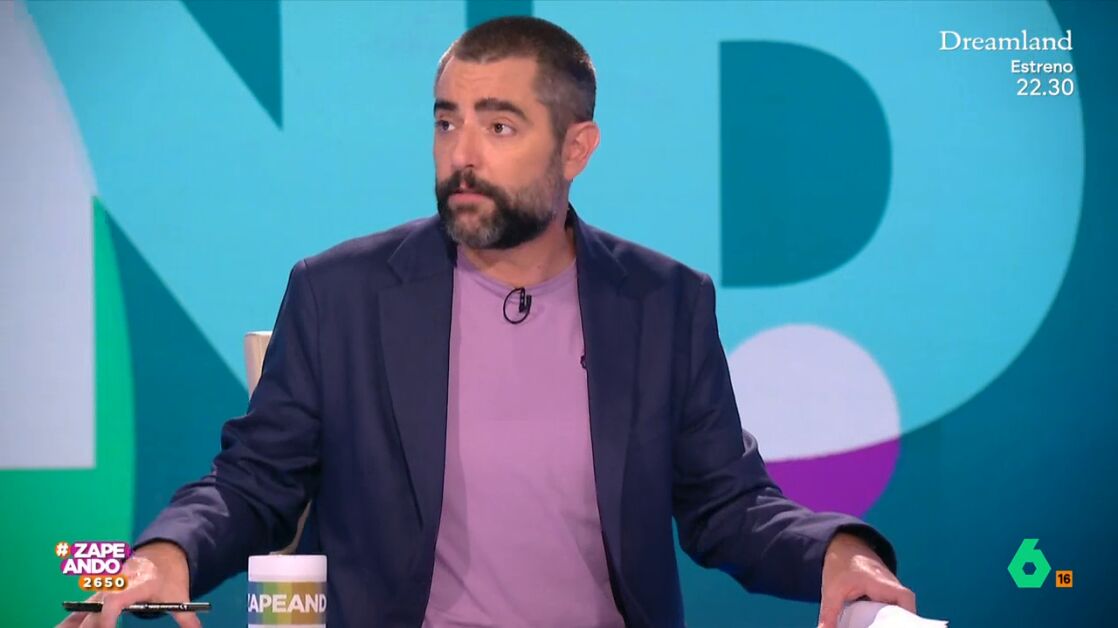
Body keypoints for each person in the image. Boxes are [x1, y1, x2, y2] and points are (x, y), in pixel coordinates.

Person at [61, 16, 915, 628]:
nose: (461, 155)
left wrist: (837, 551)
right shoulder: (340, 295)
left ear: (576, 149)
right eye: (446, 122)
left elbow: (726, 503)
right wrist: (165, 556)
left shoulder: (664, 303)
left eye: (499, 125)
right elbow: (254, 483)